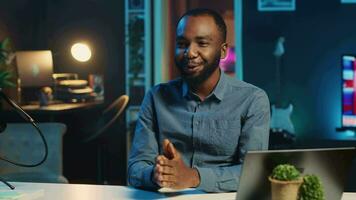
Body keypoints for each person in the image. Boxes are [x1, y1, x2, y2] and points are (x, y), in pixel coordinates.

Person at [128, 8, 270, 193]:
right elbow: (136, 169)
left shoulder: (253, 100)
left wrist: (192, 177)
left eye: (202, 43)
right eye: (182, 43)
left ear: (223, 51)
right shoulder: (156, 97)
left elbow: (253, 173)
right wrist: (157, 174)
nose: (190, 53)